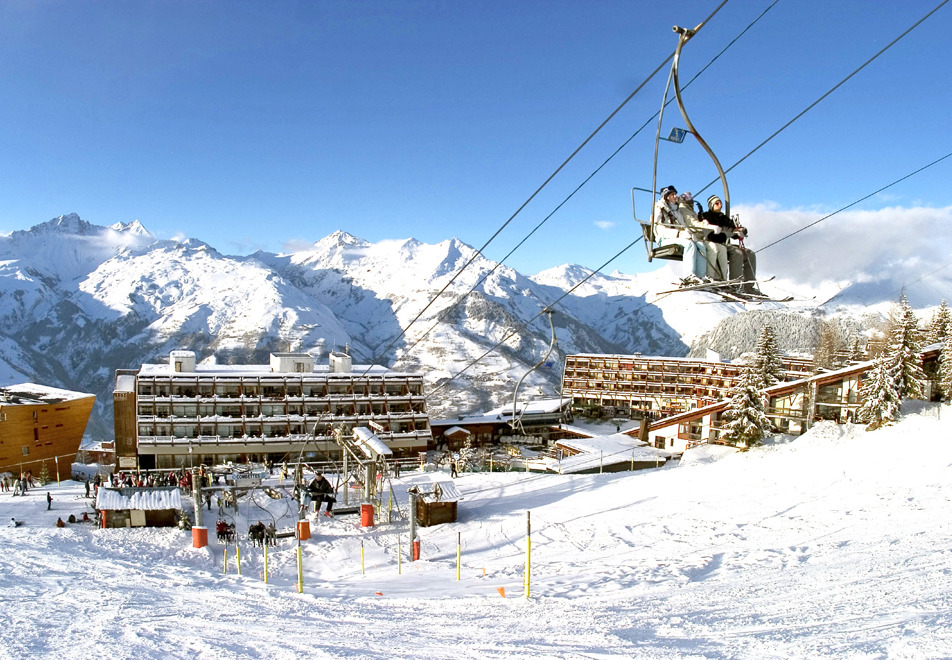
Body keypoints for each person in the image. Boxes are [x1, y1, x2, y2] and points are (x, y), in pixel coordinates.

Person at [699, 195, 759, 293]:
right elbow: (712, 235)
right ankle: (735, 285)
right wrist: (728, 233)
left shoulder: (723, 218)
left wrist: (741, 231)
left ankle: (749, 286)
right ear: (711, 205)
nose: (720, 205)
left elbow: (734, 232)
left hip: (724, 244)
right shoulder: (706, 217)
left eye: (720, 203)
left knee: (750, 254)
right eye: (717, 203)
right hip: (713, 243)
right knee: (737, 253)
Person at [653, 185, 708, 282]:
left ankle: (701, 276)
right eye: (672, 195)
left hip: (678, 238)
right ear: (666, 197)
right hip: (664, 239)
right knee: (689, 245)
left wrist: (691, 235)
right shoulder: (659, 208)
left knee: (701, 246)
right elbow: (658, 228)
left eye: (675, 194)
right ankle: (688, 276)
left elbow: (683, 226)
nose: (675, 196)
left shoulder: (677, 211)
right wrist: (678, 234)